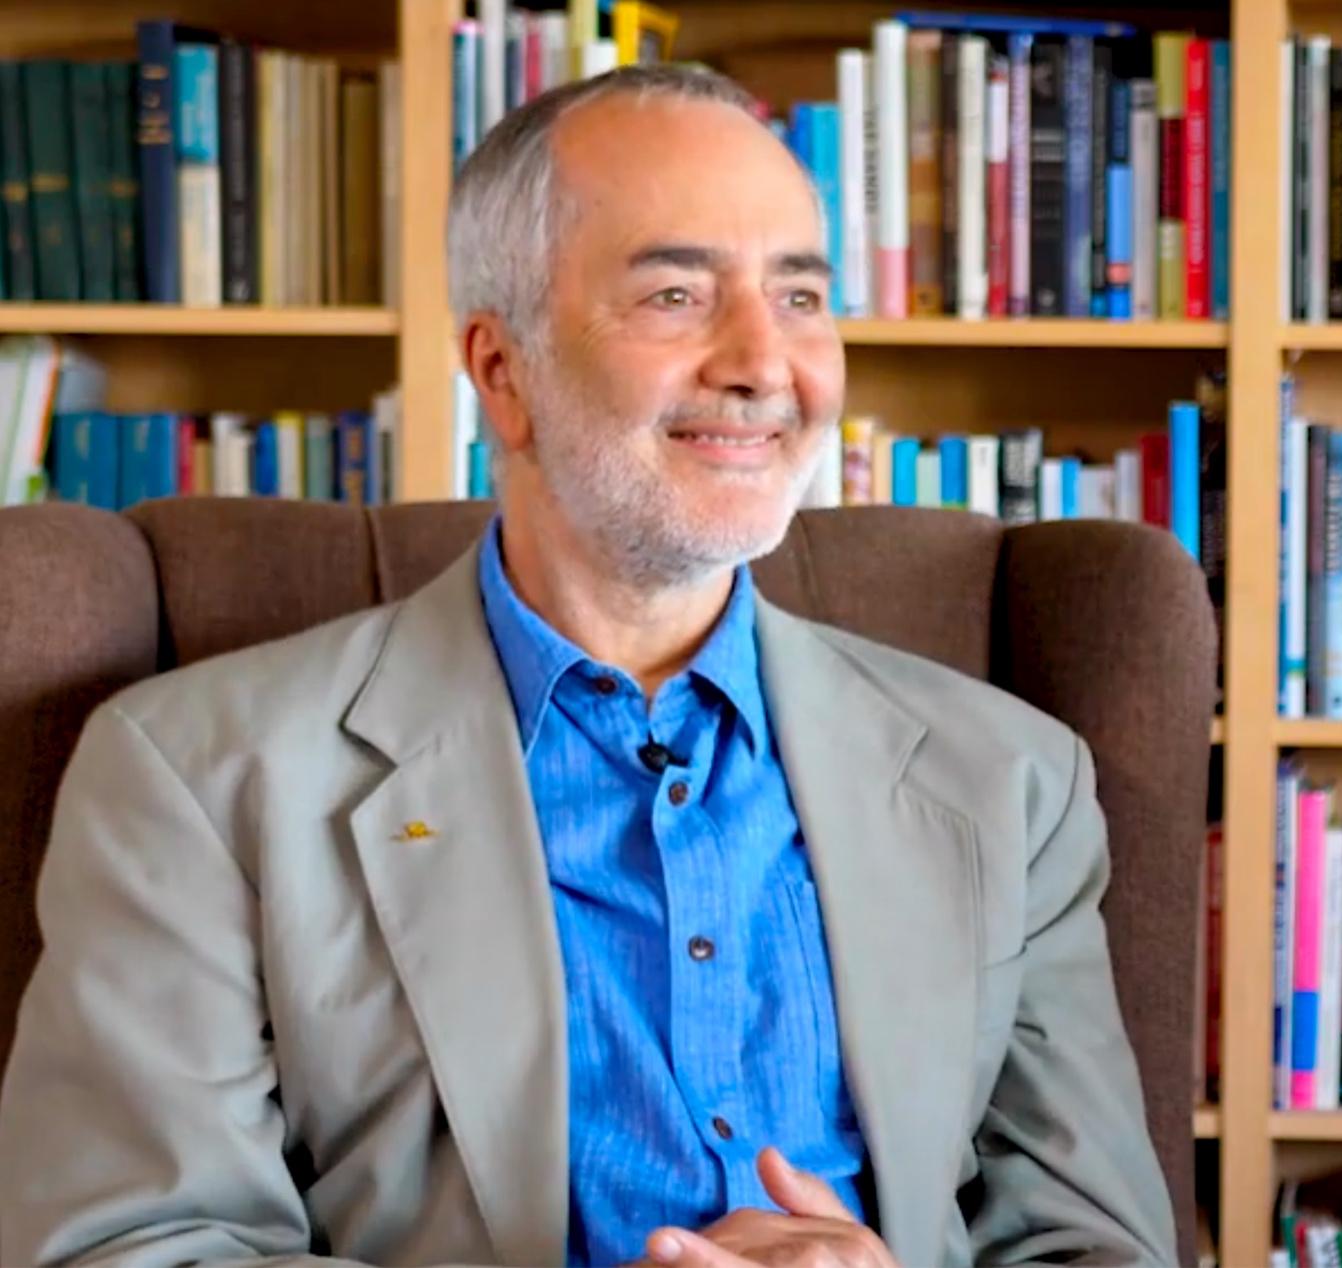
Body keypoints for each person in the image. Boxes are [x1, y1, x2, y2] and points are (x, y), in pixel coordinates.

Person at [0, 66, 1175, 1268]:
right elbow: (134, 1247)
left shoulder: (1011, 781)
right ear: (504, 374)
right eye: (676, 293)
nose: (765, 364)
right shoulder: (197, 778)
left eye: (802, 295)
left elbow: (1096, 1247)